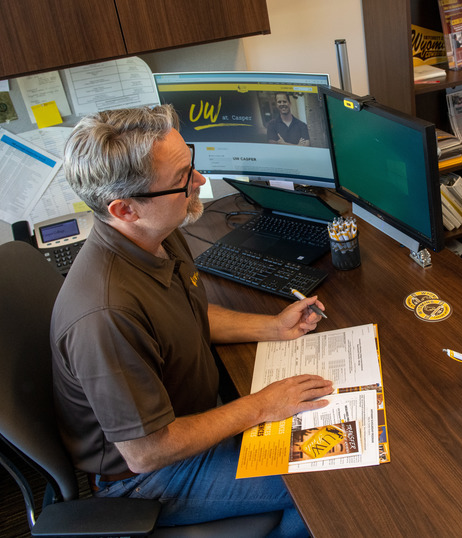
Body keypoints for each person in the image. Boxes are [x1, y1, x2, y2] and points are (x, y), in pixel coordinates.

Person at [51, 104, 332, 535]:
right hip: (147, 478)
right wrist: (261, 405)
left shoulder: (158, 232)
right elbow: (146, 452)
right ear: (125, 209)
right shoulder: (105, 315)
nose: (200, 182)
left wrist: (272, 327)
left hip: (194, 420)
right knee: (326, 482)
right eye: (183, 178)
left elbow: (185, 313)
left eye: (191, 165)